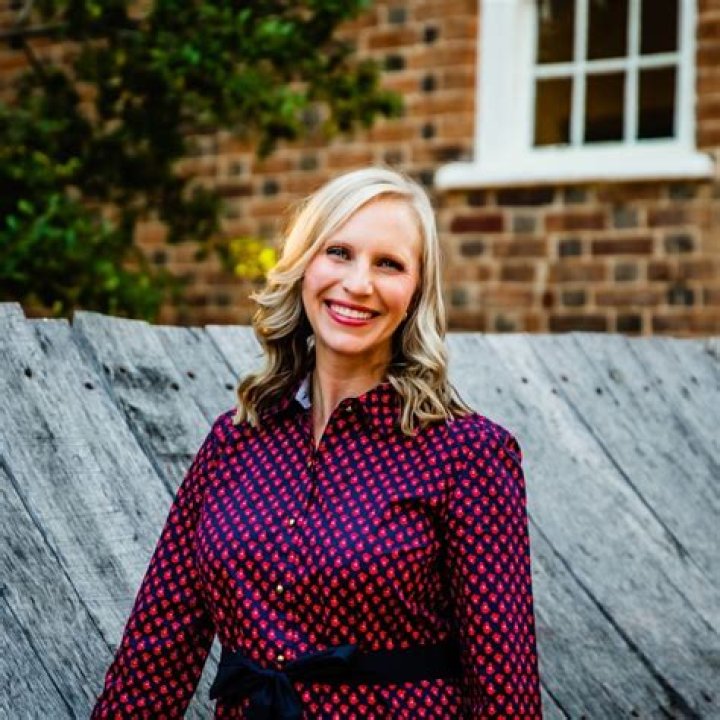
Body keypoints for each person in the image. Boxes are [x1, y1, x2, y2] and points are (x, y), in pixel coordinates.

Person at [91, 167, 542, 719]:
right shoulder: (234, 442)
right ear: (305, 265)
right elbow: (155, 657)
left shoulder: (468, 456)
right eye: (339, 252)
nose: (358, 283)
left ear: (416, 292)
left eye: (389, 264)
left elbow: (504, 688)